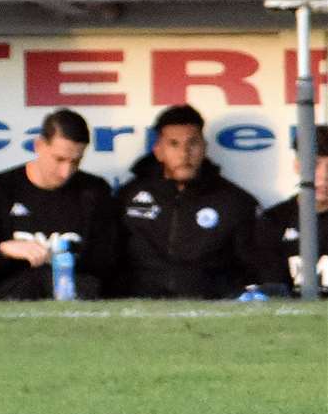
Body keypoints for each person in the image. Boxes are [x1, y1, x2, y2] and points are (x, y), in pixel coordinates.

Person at [0, 109, 117, 299]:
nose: (66, 172)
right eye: (59, 159)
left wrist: (63, 261)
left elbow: (107, 263)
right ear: (39, 145)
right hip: (8, 297)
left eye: (76, 161)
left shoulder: (94, 191)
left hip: (73, 298)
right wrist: (4, 249)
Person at [115, 105, 263, 299]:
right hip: (139, 308)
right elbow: (111, 259)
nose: (184, 153)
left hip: (210, 310)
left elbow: (254, 269)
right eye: (174, 144)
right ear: (158, 151)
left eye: (192, 143)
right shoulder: (128, 196)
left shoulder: (235, 202)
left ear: (204, 148)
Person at [256, 125, 327, 297]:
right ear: (297, 165)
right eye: (314, 164)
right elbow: (271, 290)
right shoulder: (273, 221)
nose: (324, 176)